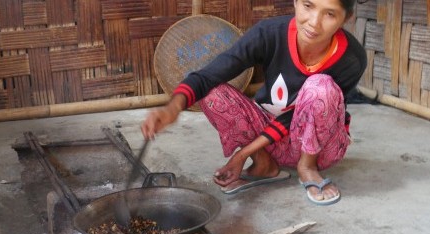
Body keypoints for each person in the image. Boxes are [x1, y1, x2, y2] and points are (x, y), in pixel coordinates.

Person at [141, 0, 367, 205]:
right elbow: (209, 74)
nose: (314, 23)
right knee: (212, 93)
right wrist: (173, 108)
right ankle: (264, 165)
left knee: (321, 87)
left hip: (321, 149)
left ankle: (307, 167)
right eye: (308, 6)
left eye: (329, 14)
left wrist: (241, 155)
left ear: (346, 19)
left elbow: (298, 114)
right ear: (296, 2)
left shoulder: (352, 58)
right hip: (270, 139)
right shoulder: (269, 33)